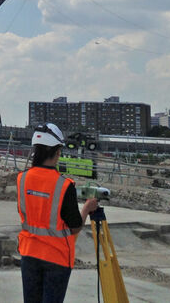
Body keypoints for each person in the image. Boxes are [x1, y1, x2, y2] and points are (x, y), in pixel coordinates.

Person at [16, 123, 99, 303]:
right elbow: (75, 226)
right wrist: (87, 208)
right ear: (57, 151)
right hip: (56, 258)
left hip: (29, 254)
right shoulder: (64, 185)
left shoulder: (22, 179)